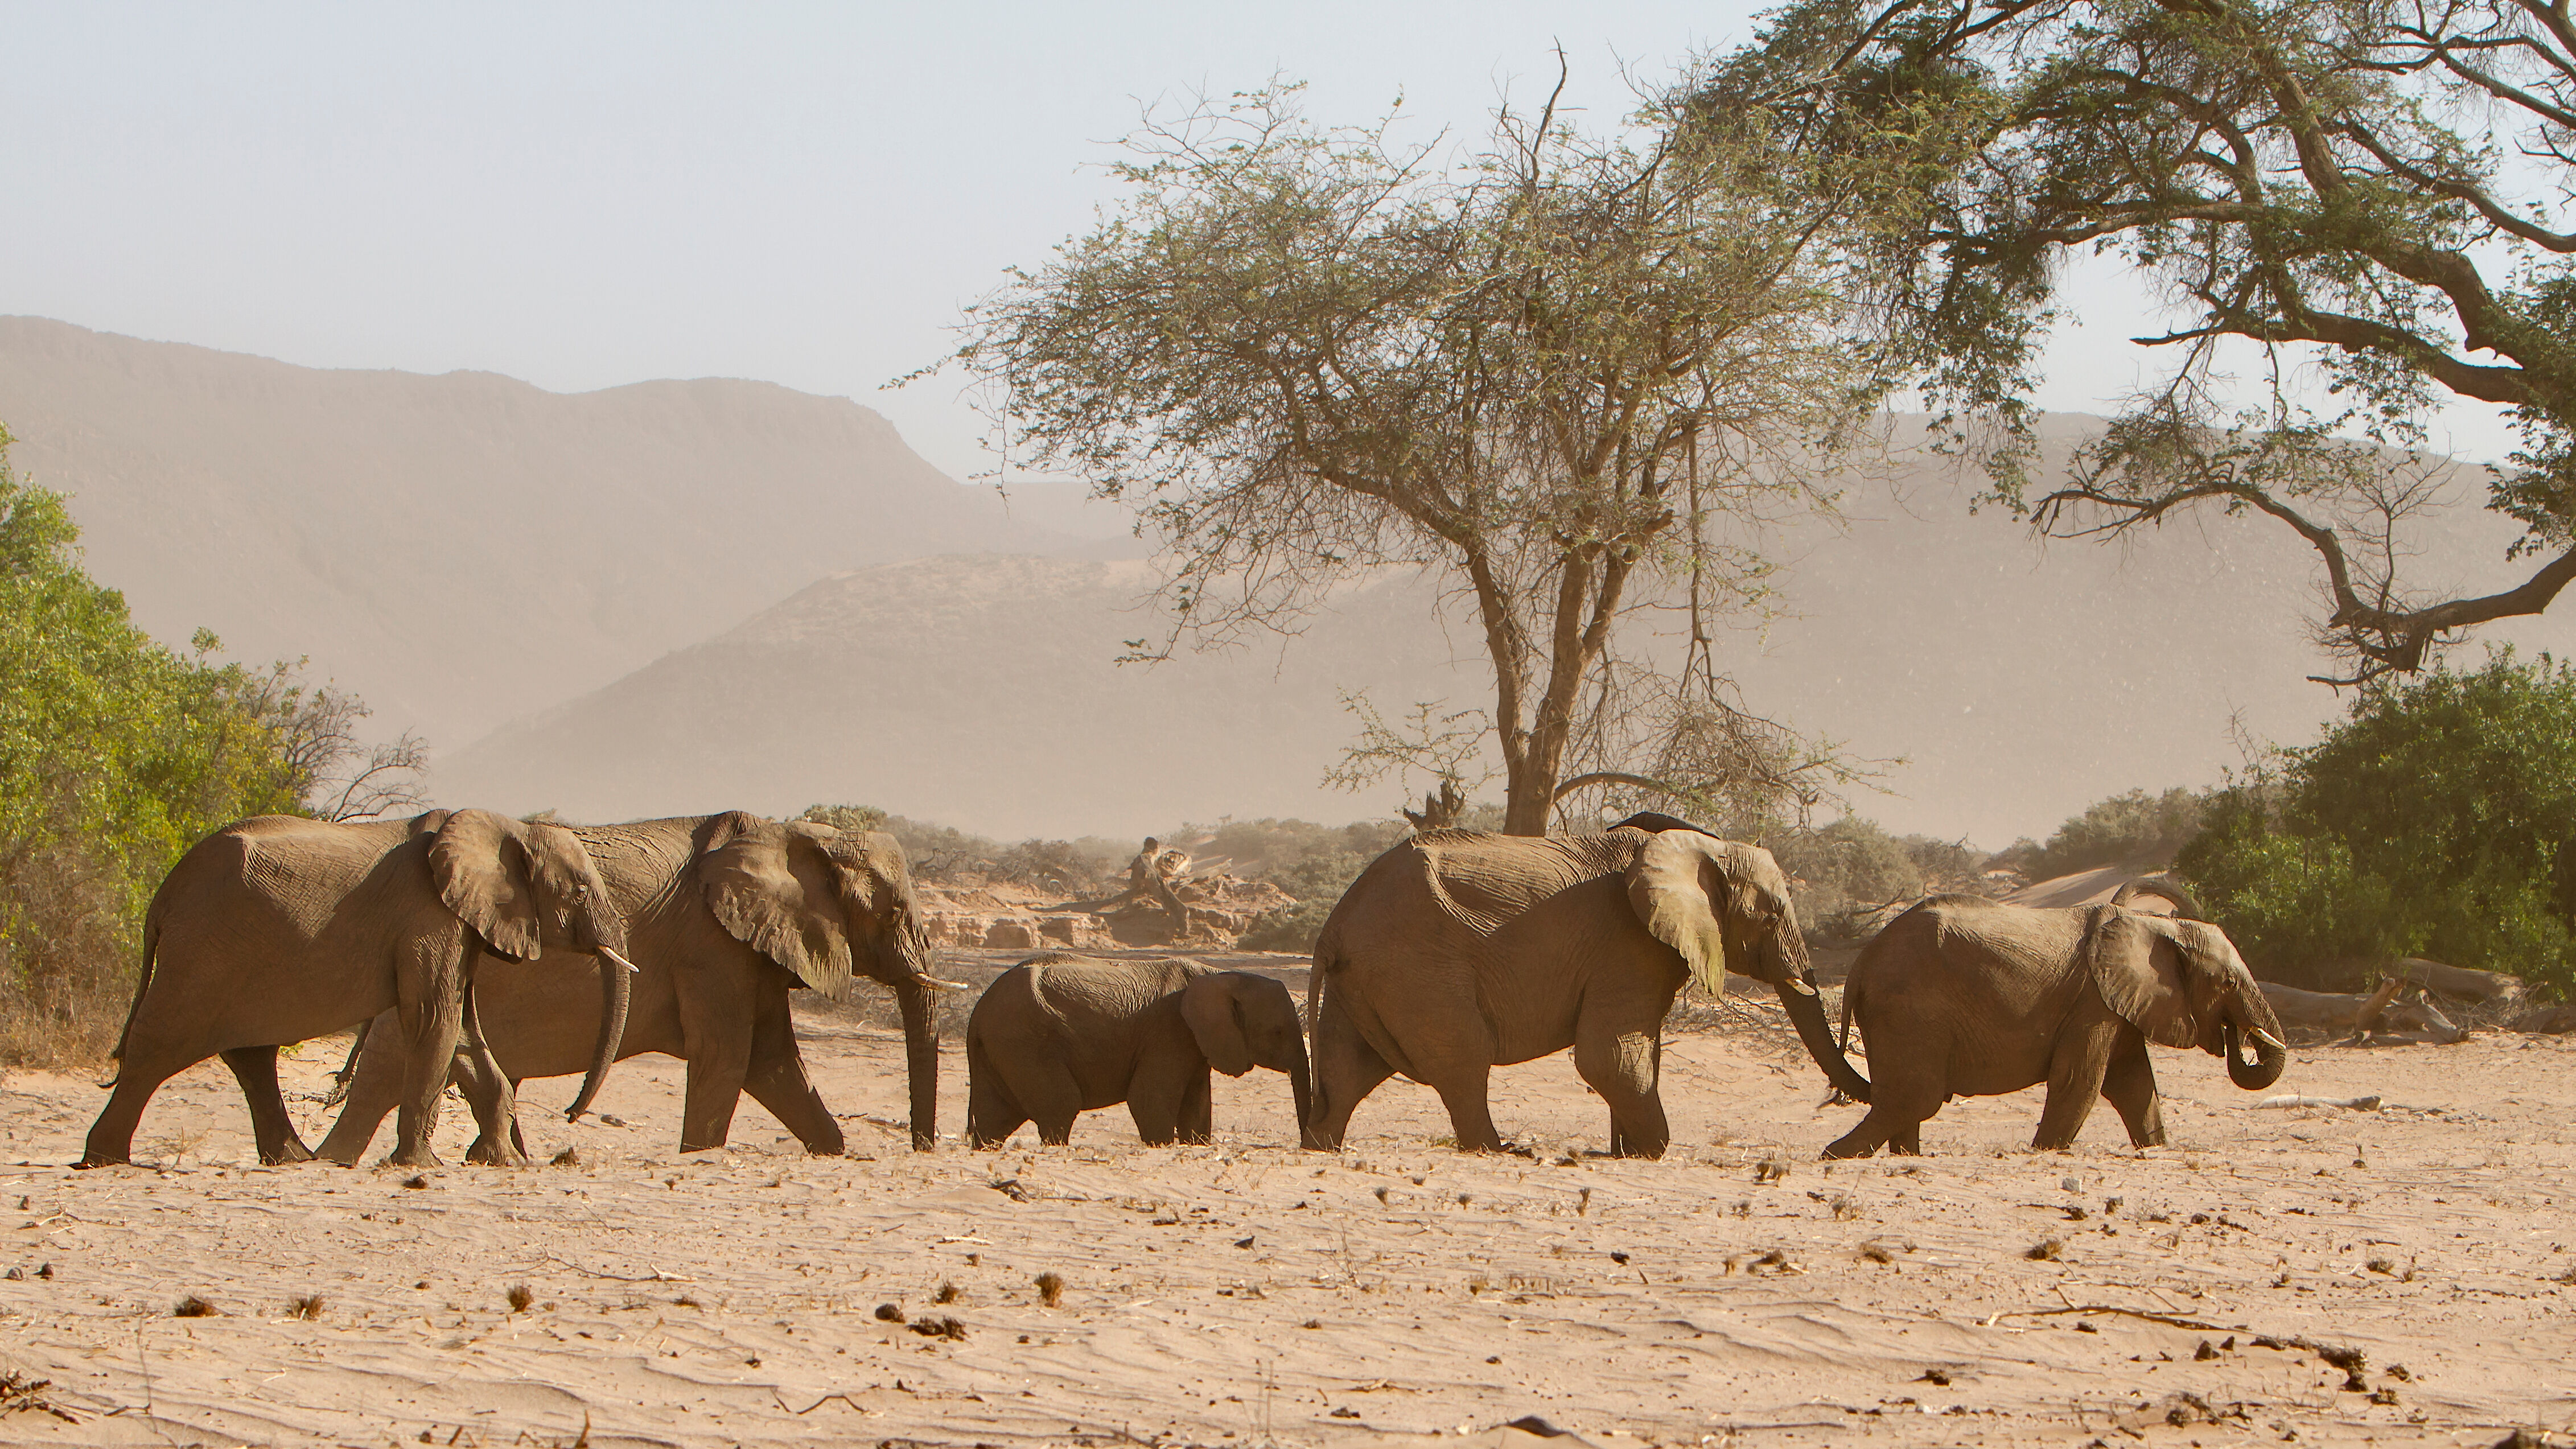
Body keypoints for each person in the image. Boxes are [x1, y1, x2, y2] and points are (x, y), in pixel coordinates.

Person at [1125, 837, 1193, 938]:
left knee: (1166, 895)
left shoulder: (1154, 854)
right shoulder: (1144, 859)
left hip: (1156, 880)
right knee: (1164, 895)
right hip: (1154, 880)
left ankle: (1182, 923)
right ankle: (1181, 924)